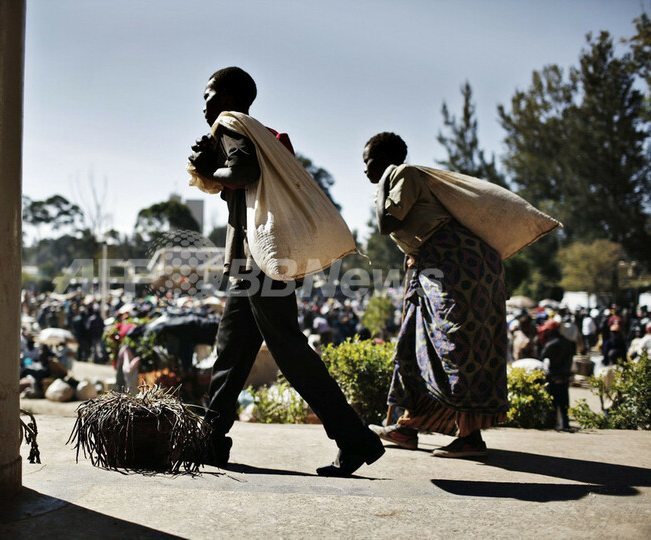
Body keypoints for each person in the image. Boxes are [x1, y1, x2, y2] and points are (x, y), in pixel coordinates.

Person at [188, 66, 383, 476]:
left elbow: (243, 173)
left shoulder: (231, 124)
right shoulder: (260, 133)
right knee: (231, 353)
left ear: (226, 98)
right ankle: (211, 438)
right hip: (253, 265)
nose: (203, 105)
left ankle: (355, 438)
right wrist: (214, 169)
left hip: (258, 263)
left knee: (290, 351)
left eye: (208, 96)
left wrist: (209, 171)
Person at [363, 132, 509, 458]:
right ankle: (407, 426)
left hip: (457, 260)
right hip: (432, 262)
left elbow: (388, 223)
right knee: (413, 342)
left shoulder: (403, 174)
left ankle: (470, 437)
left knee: (455, 343)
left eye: (369, 161)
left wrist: (383, 183)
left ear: (385, 159)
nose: (365, 170)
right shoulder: (399, 180)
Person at [539, 320, 575, 430]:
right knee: (564, 404)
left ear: (551, 331)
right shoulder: (569, 343)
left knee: (552, 403)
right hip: (564, 376)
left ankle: (552, 424)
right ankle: (565, 424)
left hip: (552, 377)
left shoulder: (551, 344)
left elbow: (542, 357)